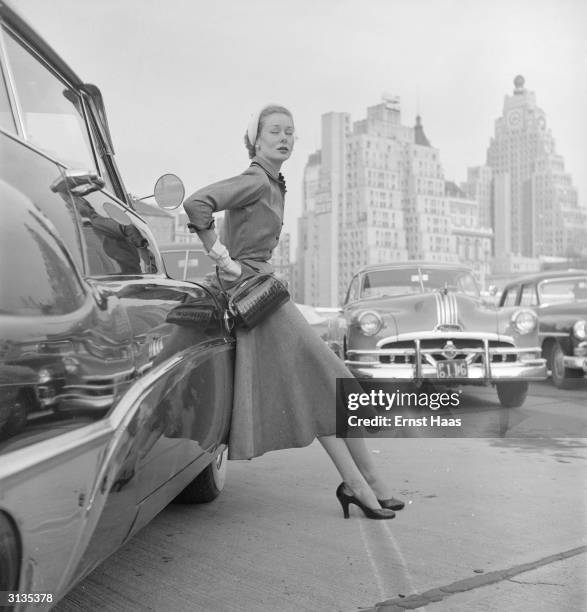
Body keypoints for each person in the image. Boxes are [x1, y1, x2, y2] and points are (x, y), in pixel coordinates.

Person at [183, 104, 404, 519]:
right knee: (330, 381)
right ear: (257, 139)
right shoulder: (254, 178)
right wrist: (220, 255)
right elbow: (197, 204)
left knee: (326, 385)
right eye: (275, 132)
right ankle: (360, 483)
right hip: (254, 292)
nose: (285, 138)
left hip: (264, 287)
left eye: (291, 132)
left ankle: (368, 483)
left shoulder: (273, 182)